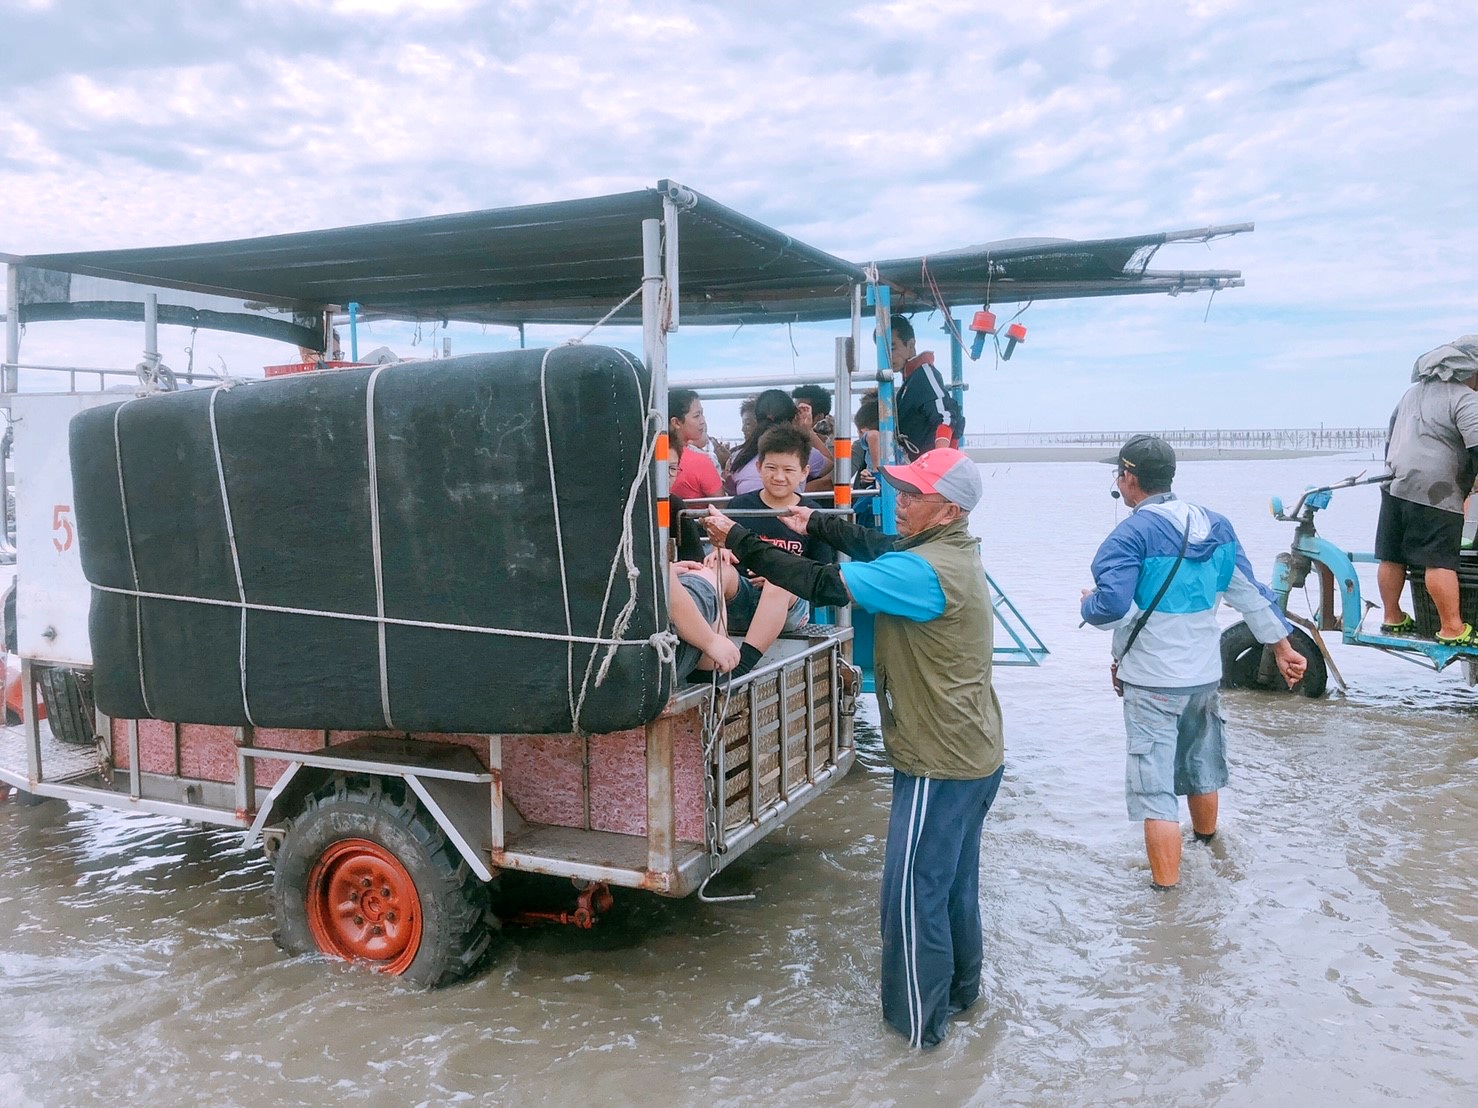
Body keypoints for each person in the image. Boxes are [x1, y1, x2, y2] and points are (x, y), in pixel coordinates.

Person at [700, 447, 1004, 1050]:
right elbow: (875, 547)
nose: (902, 500)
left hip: (938, 760)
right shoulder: (947, 550)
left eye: (914, 494)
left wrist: (739, 537)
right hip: (974, 751)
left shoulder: (925, 572)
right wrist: (816, 523)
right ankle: (965, 1001)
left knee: (910, 901)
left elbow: (819, 582)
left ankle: (918, 1040)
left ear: (948, 509)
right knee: (951, 888)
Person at [1080, 435, 1307, 890]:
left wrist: (1088, 605)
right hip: (1204, 677)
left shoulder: (1129, 535)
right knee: (1202, 764)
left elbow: (1112, 609)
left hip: (1151, 682)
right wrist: (1283, 648)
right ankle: (1207, 846)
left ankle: (1166, 899)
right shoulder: (1216, 525)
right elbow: (1250, 593)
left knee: (1155, 791)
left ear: (1128, 478)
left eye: (1118, 476)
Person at [1374, 336, 1478, 645]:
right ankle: (1452, 628)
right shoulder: (1465, 398)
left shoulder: (1411, 394)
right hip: (1435, 489)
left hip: (1394, 482)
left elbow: (1390, 438)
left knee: (1392, 555)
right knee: (1439, 559)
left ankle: (1392, 617)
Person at [717, 425, 834, 675]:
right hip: (744, 593)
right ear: (759, 467)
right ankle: (709, 653)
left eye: (788, 470)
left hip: (789, 603)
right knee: (717, 571)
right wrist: (720, 554)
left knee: (779, 581)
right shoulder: (739, 506)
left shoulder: (813, 515)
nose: (779, 477)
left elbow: (822, 574)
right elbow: (723, 551)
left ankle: (743, 665)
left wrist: (781, 571)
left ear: (803, 473)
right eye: (771, 468)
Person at [724, 389, 831, 495]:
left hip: (747, 510)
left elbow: (731, 491)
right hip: (791, 510)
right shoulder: (803, 452)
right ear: (793, 416)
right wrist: (807, 430)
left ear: (756, 418)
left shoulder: (738, 457)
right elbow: (831, 464)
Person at [889, 315, 964, 459]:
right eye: (882, 349)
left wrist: (940, 460)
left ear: (910, 345)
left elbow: (945, 416)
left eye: (892, 348)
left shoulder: (924, 373)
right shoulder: (908, 383)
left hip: (926, 470)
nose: (888, 355)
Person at [668, 389, 723, 501]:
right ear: (676, 422)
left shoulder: (653, 454)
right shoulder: (701, 461)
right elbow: (721, 504)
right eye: (697, 416)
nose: (702, 420)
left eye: (702, 414)